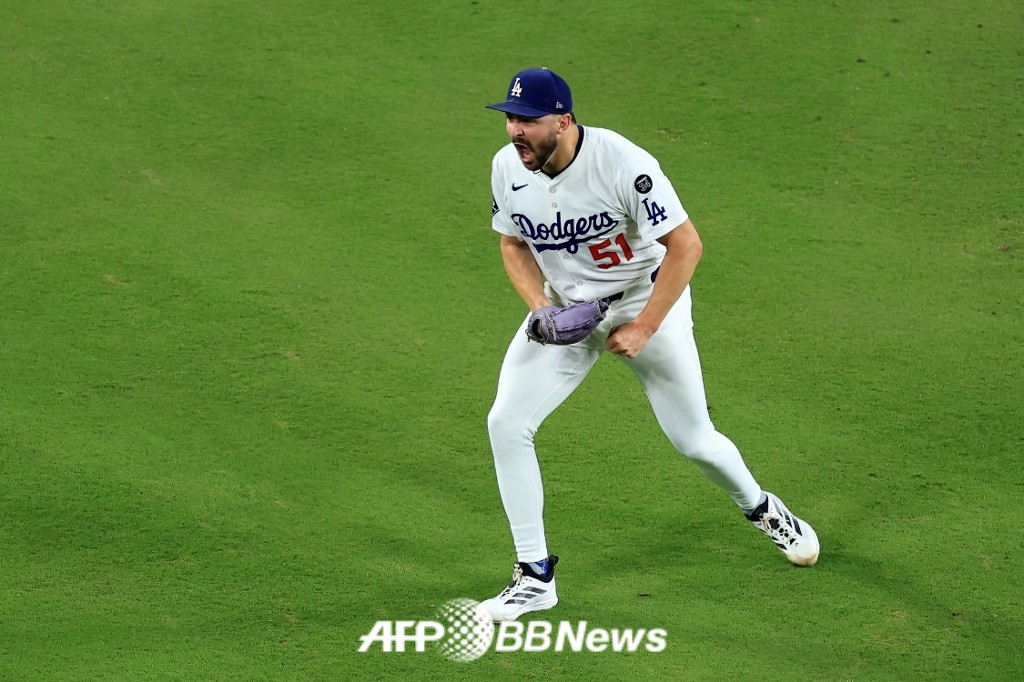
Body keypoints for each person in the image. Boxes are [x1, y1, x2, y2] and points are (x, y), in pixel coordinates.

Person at [479, 67, 819, 622]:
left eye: (529, 120)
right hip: (566, 311)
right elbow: (512, 244)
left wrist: (644, 326)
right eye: (511, 118)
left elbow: (686, 245)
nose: (516, 130)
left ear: (563, 121)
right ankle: (534, 577)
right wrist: (540, 309)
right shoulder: (507, 167)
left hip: (644, 301)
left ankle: (762, 509)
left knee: (695, 441)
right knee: (506, 423)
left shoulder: (623, 165)